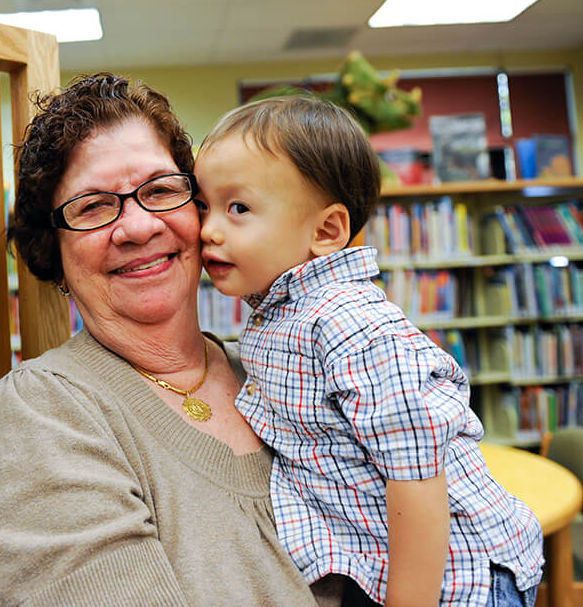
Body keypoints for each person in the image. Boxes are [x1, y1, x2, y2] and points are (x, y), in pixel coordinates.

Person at [0, 73, 339, 606]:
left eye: (161, 190)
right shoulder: (42, 410)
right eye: (93, 206)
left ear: (202, 211)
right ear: (53, 248)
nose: (138, 227)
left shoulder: (281, 373)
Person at [193, 95, 544, 606]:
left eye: (238, 208)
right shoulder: (281, 311)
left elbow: (417, 478)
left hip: (458, 580)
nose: (208, 229)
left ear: (325, 231)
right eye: (204, 206)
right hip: (385, 564)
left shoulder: (351, 323)